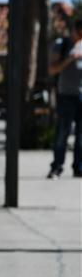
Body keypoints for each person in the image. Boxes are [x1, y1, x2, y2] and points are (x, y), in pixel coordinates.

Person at [47, 15, 82, 179]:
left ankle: (79, 167)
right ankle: (57, 167)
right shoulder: (62, 45)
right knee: (62, 133)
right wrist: (70, 59)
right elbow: (52, 70)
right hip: (66, 94)